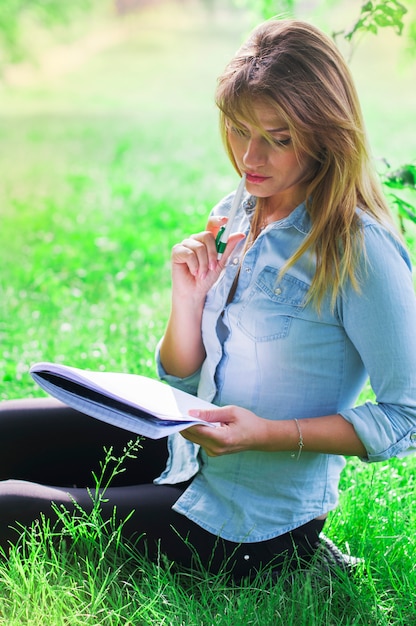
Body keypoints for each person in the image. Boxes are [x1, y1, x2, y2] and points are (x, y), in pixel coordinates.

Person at [1, 19, 416, 582]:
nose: (251, 156)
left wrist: (264, 433)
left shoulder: (357, 248)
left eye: (279, 137)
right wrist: (188, 297)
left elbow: (406, 416)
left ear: (324, 132)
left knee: (10, 507)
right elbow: (180, 378)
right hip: (182, 449)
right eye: (241, 128)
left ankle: (305, 556)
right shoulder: (239, 207)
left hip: (249, 523)